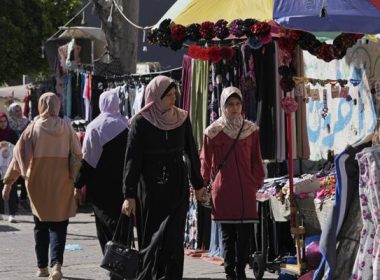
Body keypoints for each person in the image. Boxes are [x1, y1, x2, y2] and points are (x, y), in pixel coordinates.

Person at [121, 75, 206, 280]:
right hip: (149, 186)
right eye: (168, 95)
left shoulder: (182, 118)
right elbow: (132, 159)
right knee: (151, 237)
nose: (173, 99)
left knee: (174, 238)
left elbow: (191, 152)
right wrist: (129, 194)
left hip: (176, 183)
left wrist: (198, 184)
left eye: (174, 94)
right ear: (156, 96)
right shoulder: (141, 122)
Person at [2, 92, 82, 280]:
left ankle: (42, 267)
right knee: (59, 225)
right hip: (62, 183)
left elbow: (18, 157)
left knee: (40, 225)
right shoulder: (67, 128)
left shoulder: (32, 128)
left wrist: (8, 182)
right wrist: (74, 177)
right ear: (57, 105)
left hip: (37, 184)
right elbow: (78, 154)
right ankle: (57, 264)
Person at [200, 87, 265, 280]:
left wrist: (256, 180)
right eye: (230, 105)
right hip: (224, 191)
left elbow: (256, 158)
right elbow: (205, 160)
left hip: (246, 190)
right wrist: (202, 184)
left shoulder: (251, 130)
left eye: (237, 104)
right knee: (228, 237)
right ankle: (229, 273)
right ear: (223, 106)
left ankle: (240, 271)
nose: (235, 108)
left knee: (244, 235)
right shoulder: (213, 132)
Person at [74, 89, 129, 280]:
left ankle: (113, 263)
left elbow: (89, 159)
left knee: (105, 225)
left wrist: (78, 183)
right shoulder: (126, 124)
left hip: (101, 186)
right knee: (123, 223)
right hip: (123, 184)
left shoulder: (95, 126)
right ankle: (124, 263)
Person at [8, 103, 30, 211]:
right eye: (16, 111)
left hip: (26, 153)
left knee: (26, 175)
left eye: (19, 110)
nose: (19, 112)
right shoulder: (8, 123)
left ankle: (23, 198)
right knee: (14, 176)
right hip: (12, 154)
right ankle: (15, 201)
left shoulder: (27, 122)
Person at [0, 112, 18, 222]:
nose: (3, 124)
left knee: (12, 189)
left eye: (5, 121)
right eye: (0, 122)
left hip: (10, 165)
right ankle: (1, 212)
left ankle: (12, 214)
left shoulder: (12, 133)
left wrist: (8, 144)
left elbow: (17, 147)